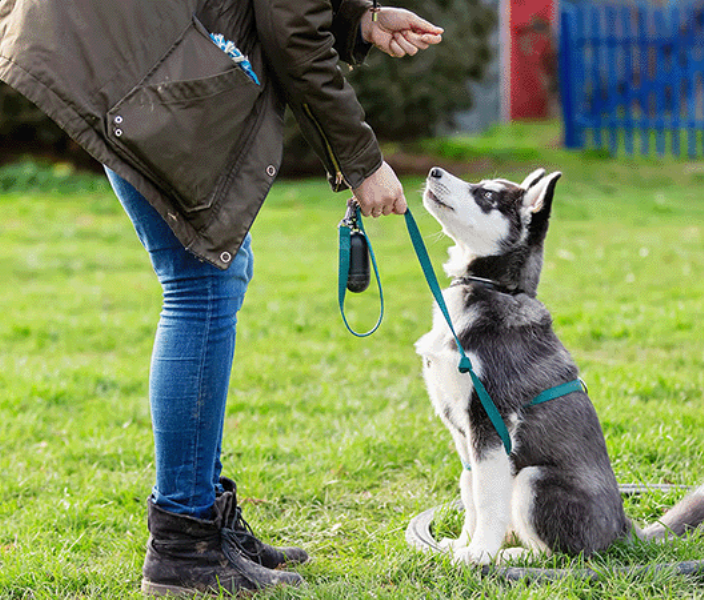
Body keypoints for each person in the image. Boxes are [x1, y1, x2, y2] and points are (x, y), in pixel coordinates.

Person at [0, 0, 442, 595]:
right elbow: (291, 32)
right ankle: (184, 545)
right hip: (116, 45)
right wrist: (362, 163)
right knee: (200, 283)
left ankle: (203, 520)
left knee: (213, 275)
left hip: (116, 35)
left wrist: (357, 19)